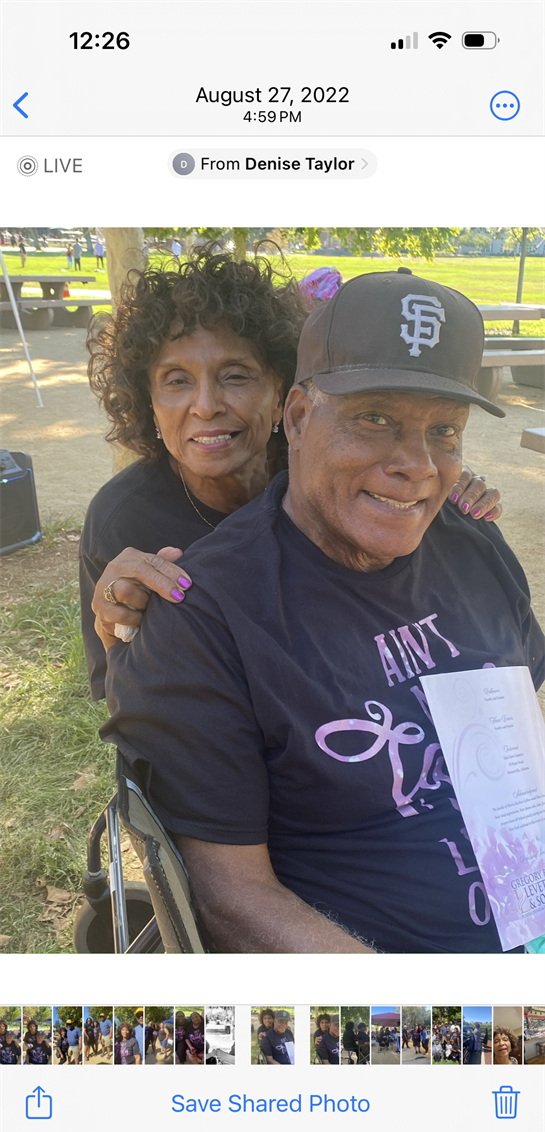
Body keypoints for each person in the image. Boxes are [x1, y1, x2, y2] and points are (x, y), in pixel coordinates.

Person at [104, 269, 544, 956]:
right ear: (300, 417)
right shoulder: (202, 616)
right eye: (376, 419)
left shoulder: (474, 546)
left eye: (443, 431)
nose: (417, 464)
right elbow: (234, 899)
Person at [85, 252, 500, 702]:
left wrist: (426, 483)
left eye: (236, 376)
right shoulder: (122, 520)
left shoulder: (330, 475)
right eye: (176, 381)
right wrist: (119, 629)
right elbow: (123, 690)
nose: (206, 405)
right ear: (146, 397)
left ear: (284, 391)